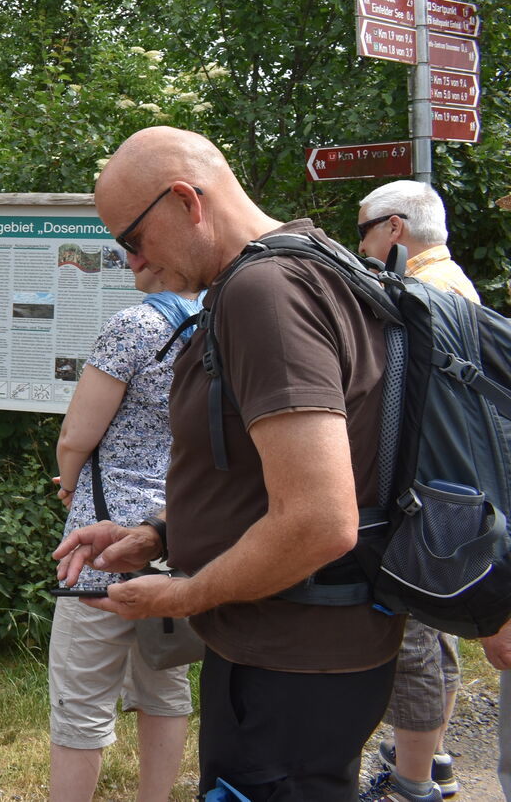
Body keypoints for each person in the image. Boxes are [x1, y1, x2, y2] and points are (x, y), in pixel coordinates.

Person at [55, 126, 405, 800]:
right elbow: (271, 477)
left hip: (285, 663)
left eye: (132, 239)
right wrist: (160, 536)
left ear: (187, 201)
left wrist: (186, 592)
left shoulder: (263, 292)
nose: (133, 265)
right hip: (314, 651)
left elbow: (319, 519)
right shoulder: (320, 260)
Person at [49, 271, 200, 802]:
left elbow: (76, 436)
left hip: (105, 539)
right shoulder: (216, 326)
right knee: (164, 678)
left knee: (80, 698)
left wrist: (69, 485)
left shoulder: (134, 326)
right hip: (176, 530)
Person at [357, 180, 480, 802]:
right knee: (439, 626)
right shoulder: (456, 282)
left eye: (365, 231)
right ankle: (433, 758)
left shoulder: (421, 293)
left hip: (424, 489)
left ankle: (411, 782)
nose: (363, 245)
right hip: (455, 489)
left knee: (412, 637)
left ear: (394, 228)